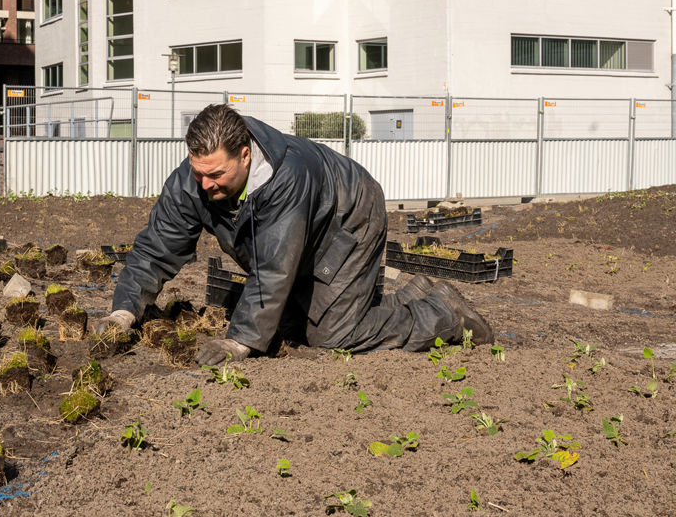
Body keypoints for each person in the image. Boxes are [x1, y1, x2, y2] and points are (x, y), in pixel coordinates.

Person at [96, 103, 493, 365]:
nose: (205, 185)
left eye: (216, 174)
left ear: (245, 155)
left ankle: (444, 315)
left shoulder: (287, 178)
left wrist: (238, 343)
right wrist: (124, 310)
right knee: (290, 327)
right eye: (198, 172)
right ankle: (411, 295)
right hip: (303, 232)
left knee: (334, 335)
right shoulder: (193, 181)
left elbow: (273, 270)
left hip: (348, 216)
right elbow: (155, 246)